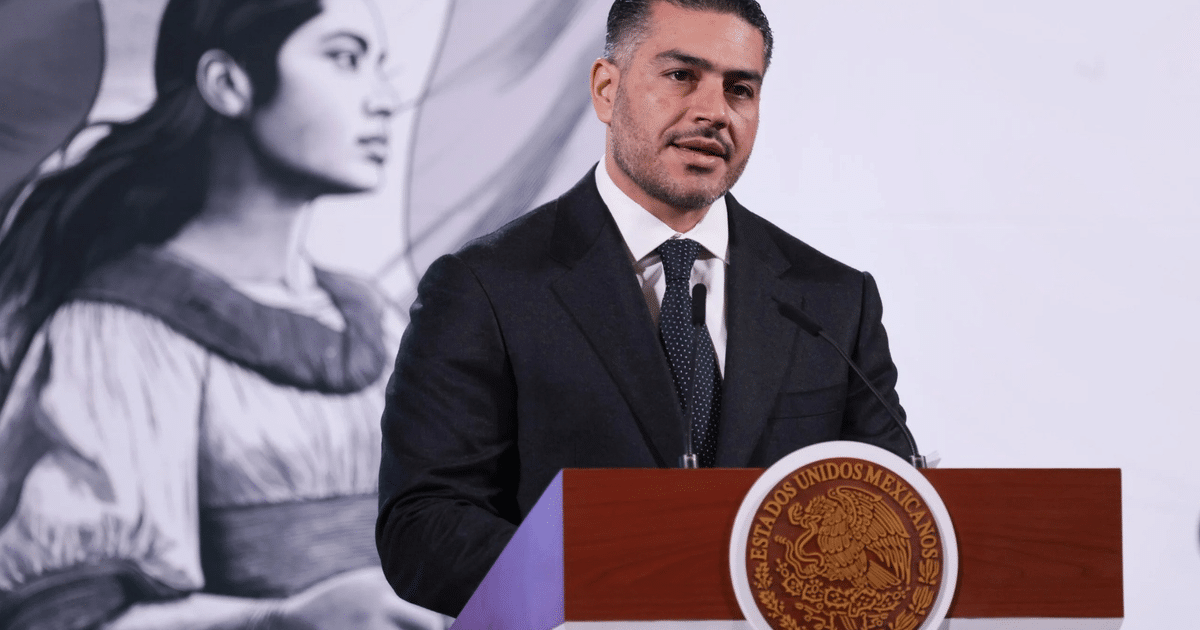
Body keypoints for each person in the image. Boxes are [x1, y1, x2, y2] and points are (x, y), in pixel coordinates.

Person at [377, 0, 917, 617]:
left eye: (740, 88)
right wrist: (618, 590)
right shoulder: (484, 287)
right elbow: (422, 525)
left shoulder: (833, 300)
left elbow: (891, 509)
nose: (714, 111)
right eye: (681, 75)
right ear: (607, 89)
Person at [0, 0, 446, 628]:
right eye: (344, 59)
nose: (381, 99)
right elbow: (66, 613)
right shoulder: (119, 332)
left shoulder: (377, 318)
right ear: (228, 83)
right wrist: (283, 620)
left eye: (380, 66)